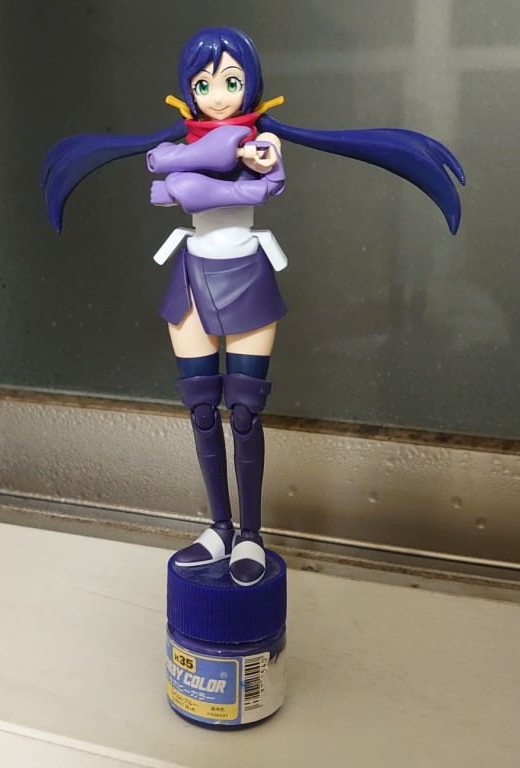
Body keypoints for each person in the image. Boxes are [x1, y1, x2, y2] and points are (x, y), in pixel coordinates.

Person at [41, 26, 465, 586]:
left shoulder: (262, 142)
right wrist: (204, 171)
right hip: (190, 277)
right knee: (201, 409)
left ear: (252, 83)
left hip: (246, 277)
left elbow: (250, 185)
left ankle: (250, 535)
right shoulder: (192, 144)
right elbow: (162, 183)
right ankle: (219, 527)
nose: (217, 95)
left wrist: (193, 181)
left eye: (231, 81)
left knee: (243, 412)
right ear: (188, 89)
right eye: (203, 84)